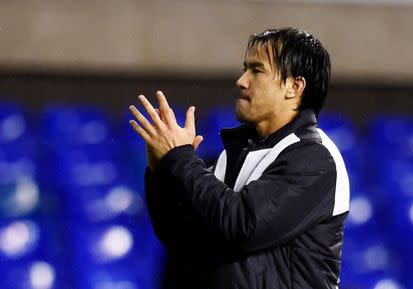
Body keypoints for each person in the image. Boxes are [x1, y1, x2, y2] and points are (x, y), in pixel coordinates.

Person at [129, 27, 350, 289]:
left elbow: (242, 225)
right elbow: (181, 236)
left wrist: (180, 158)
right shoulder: (231, 155)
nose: (242, 81)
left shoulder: (314, 158)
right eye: (245, 69)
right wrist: (161, 168)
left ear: (294, 86)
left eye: (256, 70)